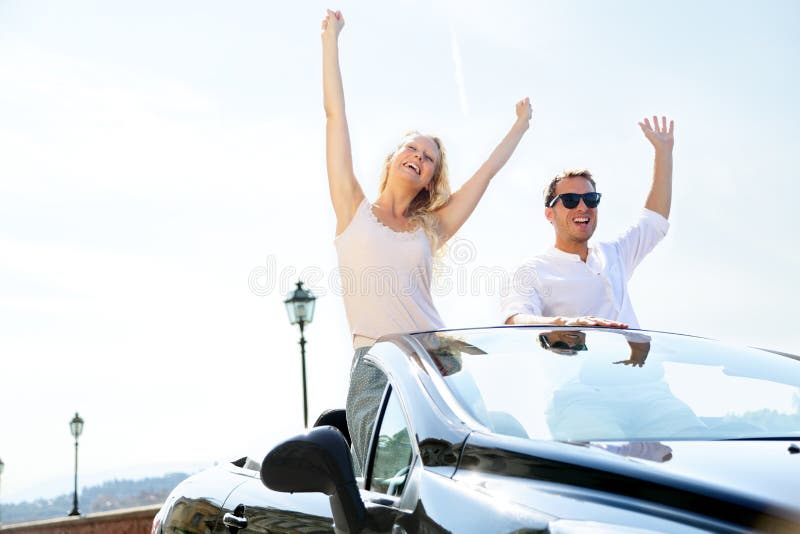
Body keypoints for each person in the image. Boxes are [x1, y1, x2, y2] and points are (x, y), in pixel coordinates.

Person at [321, 9, 532, 472]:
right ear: (395, 157)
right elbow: (336, 116)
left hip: (436, 360)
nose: (418, 157)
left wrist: (519, 127)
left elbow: (486, 174)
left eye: (429, 158)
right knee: (387, 478)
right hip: (377, 365)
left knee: (472, 467)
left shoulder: (429, 227)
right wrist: (331, 40)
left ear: (432, 178)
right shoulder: (351, 209)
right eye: (411, 149)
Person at [501, 116, 675, 329]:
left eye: (590, 199)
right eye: (571, 200)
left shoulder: (613, 254)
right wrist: (565, 324)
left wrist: (664, 153)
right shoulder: (533, 270)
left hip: (635, 362)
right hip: (582, 362)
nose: (583, 207)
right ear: (549, 214)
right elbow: (515, 317)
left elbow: (653, 222)